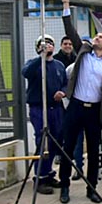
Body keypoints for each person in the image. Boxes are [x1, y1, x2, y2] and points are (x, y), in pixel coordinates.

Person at [58, 0, 102, 204]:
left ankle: (92, 187)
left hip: (94, 110)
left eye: (101, 37)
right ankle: (64, 186)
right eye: (96, 35)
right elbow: (70, 30)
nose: (97, 37)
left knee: (94, 151)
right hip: (75, 107)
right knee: (68, 147)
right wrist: (66, 6)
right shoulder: (83, 51)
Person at [22, 34, 68, 194]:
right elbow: (26, 73)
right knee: (43, 141)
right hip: (39, 108)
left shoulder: (59, 65)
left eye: (50, 43)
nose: (47, 46)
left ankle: (49, 174)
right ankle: (39, 177)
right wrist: (40, 57)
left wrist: (62, 92)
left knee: (56, 140)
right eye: (44, 44)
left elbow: (66, 84)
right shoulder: (33, 64)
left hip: (56, 108)